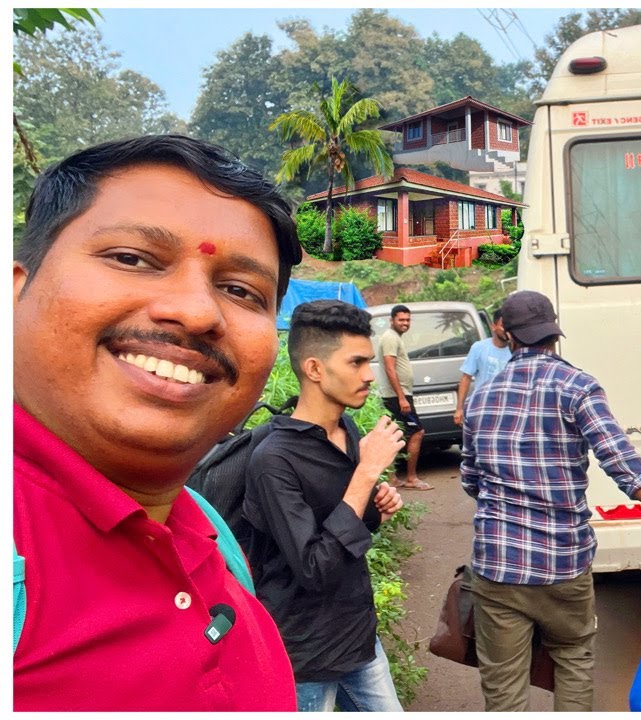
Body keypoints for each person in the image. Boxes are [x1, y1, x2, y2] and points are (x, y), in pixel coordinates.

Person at [12, 134, 302, 711]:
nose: (197, 312)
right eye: (132, 259)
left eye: (241, 291)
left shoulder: (210, 536)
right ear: (15, 291)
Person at [460, 290, 641, 712]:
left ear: (505, 333)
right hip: (563, 561)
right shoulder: (577, 386)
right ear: (553, 334)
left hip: (497, 566)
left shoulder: (480, 398)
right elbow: (624, 466)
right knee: (573, 660)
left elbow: (471, 478)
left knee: (504, 689)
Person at [242, 300, 407, 712]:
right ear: (315, 369)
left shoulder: (347, 429)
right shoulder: (274, 460)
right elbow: (313, 566)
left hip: (358, 637)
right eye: (356, 363)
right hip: (307, 654)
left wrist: (377, 505)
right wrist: (366, 475)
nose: (370, 375)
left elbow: (350, 528)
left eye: (369, 362)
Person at [375, 304, 432, 490]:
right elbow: (390, 368)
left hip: (397, 395)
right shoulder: (390, 338)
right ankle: (411, 478)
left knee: (394, 434)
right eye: (401, 320)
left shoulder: (394, 338)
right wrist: (401, 397)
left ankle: (392, 478)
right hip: (395, 396)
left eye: (407, 320)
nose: (405, 323)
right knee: (417, 432)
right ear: (392, 320)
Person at [453, 308, 512, 426]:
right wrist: (459, 409)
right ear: (493, 327)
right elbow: (466, 378)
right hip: (483, 407)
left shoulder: (515, 350)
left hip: (508, 409)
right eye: (503, 326)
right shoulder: (479, 348)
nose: (506, 330)